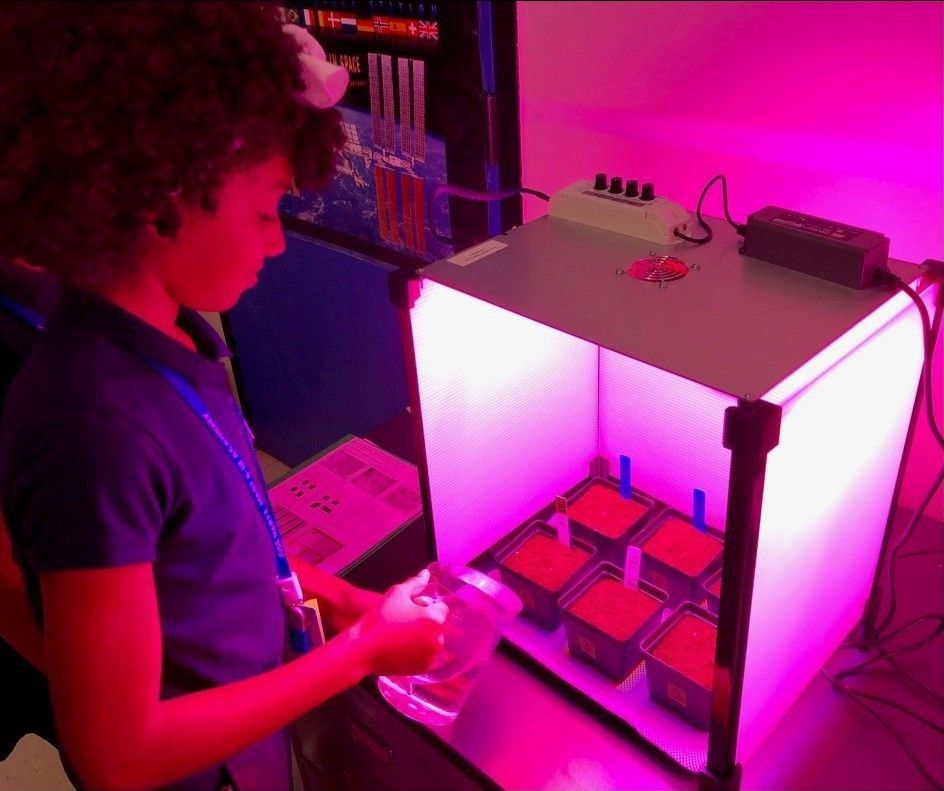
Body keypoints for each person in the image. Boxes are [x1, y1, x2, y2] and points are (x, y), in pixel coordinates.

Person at [0, 4, 444, 790]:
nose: (277, 240)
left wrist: (341, 598)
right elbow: (117, 753)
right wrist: (361, 654)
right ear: (165, 194)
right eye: (267, 207)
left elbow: (220, 542)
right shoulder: (94, 429)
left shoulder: (174, 337)